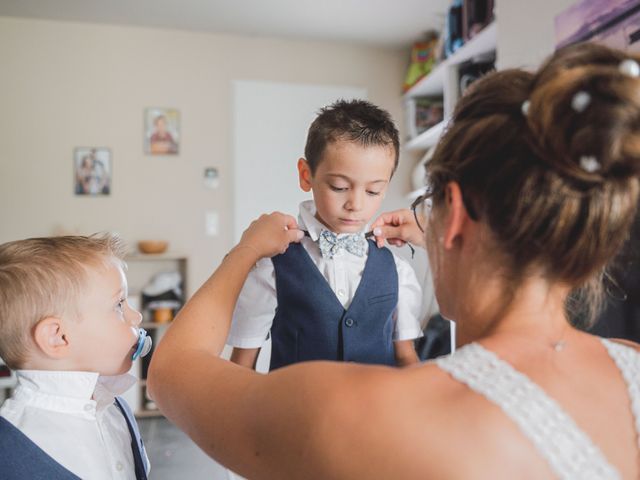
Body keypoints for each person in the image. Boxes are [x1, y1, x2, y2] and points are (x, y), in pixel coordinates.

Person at [148, 43, 640, 479]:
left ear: (456, 215)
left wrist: (244, 250)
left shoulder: (353, 410)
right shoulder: (630, 366)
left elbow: (172, 372)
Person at [227, 99, 423, 370]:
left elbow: (406, 358)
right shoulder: (271, 267)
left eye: (373, 191)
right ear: (306, 175)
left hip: (377, 411)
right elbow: (241, 367)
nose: (355, 203)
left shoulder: (398, 271)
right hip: (295, 411)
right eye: (340, 187)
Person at [0, 235, 151, 480]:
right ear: (59, 337)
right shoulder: (10, 448)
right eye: (119, 305)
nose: (136, 317)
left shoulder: (116, 408)